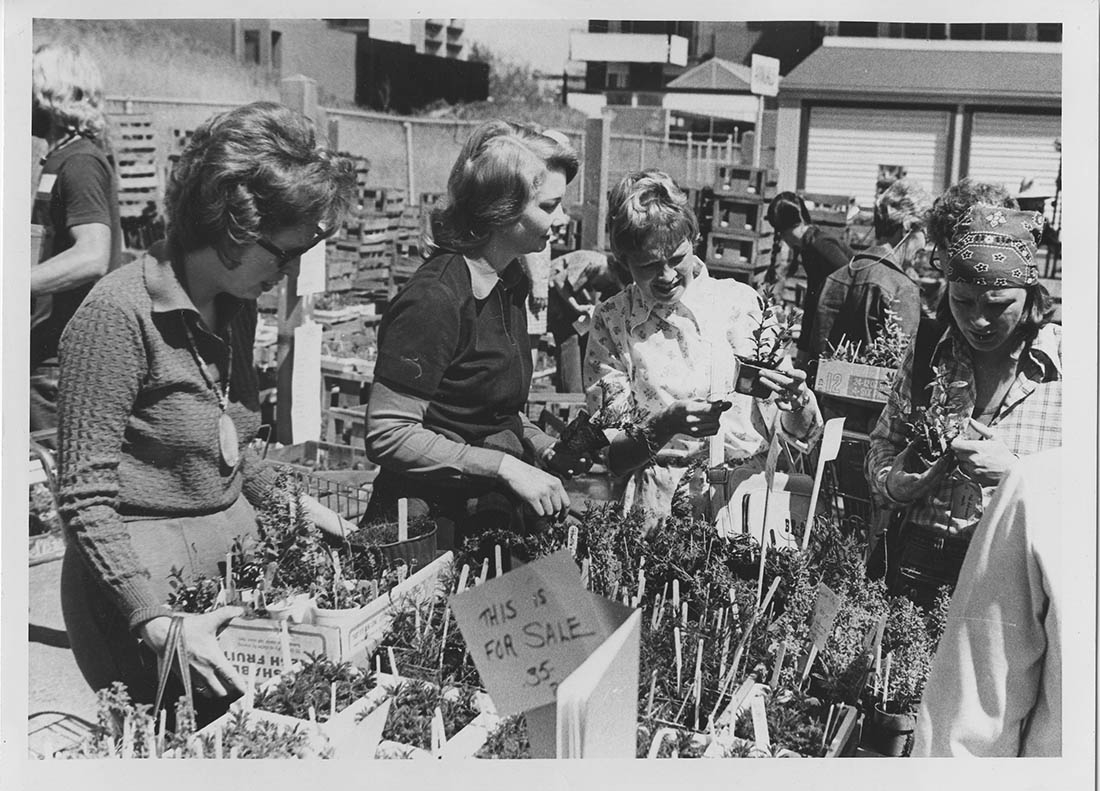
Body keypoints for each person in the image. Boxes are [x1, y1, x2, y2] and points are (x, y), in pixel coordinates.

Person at [57, 101, 359, 726]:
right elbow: (84, 497)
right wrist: (156, 619)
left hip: (225, 580)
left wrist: (294, 503)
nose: (290, 272)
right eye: (283, 253)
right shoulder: (116, 315)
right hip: (142, 598)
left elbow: (231, 450)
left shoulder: (235, 304)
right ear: (234, 225)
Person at [364, 120, 585, 550]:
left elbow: (487, 410)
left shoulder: (510, 282)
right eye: (549, 205)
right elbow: (388, 433)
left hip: (485, 511)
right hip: (428, 524)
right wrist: (502, 466)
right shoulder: (436, 298)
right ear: (503, 211)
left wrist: (540, 447)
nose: (562, 218)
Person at [584, 171, 823, 531]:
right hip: (656, 512)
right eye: (648, 265)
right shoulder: (612, 321)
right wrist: (664, 425)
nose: (666, 275)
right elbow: (613, 456)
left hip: (745, 504)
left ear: (693, 239)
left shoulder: (741, 304)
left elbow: (792, 433)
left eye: (677, 257)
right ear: (623, 260)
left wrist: (798, 401)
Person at [865, 205, 1061, 607]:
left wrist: (1019, 476)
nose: (978, 321)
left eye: (996, 305)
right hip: (919, 564)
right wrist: (892, 482)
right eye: (963, 301)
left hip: (1016, 575)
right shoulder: (928, 356)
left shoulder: (1068, 371)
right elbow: (883, 443)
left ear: (1030, 297)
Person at [913, 447, 1061, 756]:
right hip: (928, 554)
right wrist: (895, 481)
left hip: (1000, 552)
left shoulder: (1043, 474)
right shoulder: (1043, 483)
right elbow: (972, 722)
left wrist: (1011, 469)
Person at [31, 41, 123, 434]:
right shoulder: (58, 159)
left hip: (60, 362)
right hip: (45, 353)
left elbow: (92, 257)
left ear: (51, 95)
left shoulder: (79, 162)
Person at [811, 179, 932, 434]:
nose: (924, 246)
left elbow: (817, 349)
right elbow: (905, 373)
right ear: (908, 228)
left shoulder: (837, 277)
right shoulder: (901, 287)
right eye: (924, 235)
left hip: (828, 418)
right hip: (874, 428)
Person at [763, 191, 853, 368]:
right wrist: (803, 348)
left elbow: (852, 281)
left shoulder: (821, 245)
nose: (784, 239)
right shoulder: (809, 246)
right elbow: (812, 300)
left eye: (783, 232)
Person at [547, 248, 622, 393]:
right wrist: (576, 307)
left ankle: (576, 388)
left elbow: (576, 285)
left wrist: (587, 303)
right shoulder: (594, 263)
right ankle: (572, 392)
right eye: (607, 283)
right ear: (610, 271)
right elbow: (559, 281)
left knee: (580, 337)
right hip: (551, 291)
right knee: (569, 338)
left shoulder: (596, 265)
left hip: (559, 296)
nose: (601, 288)